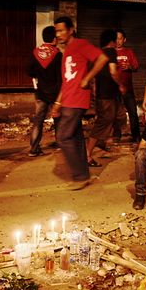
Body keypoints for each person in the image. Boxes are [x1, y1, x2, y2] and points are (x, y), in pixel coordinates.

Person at [51, 16, 109, 190]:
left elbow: (102, 58)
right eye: (56, 31)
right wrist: (57, 102)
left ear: (71, 30)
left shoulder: (80, 44)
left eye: (61, 30)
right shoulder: (67, 51)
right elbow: (66, 80)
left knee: (62, 137)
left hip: (77, 99)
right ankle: (83, 174)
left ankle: (79, 176)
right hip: (68, 99)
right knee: (75, 139)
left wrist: (88, 78)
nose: (59, 34)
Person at [86, 29, 126, 167]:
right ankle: (88, 154)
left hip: (105, 95)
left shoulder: (98, 53)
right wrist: (121, 85)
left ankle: (102, 141)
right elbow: (113, 72)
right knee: (102, 123)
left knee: (118, 116)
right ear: (112, 40)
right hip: (107, 95)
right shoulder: (111, 51)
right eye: (116, 39)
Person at [27, 26, 62, 157]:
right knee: (58, 119)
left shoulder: (35, 53)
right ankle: (60, 143)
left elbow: (29, 71)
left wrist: (38, 75)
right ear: (54, 39)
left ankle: (34, 149)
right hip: (55, 93)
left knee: (38, 121)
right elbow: (61, 76)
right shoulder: (58, 55)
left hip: (40, 93)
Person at [113, 29, 141, 142]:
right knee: (116, 113)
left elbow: (136, 67)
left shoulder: (129, 52)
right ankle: (116, 135)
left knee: (132, 112)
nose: (117, 41)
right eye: (115, 38)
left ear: (124, 40)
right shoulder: (110, 52)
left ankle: (136, 136)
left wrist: (130, 66)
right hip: (114, 88)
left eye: (120, 38)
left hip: (127, 88)